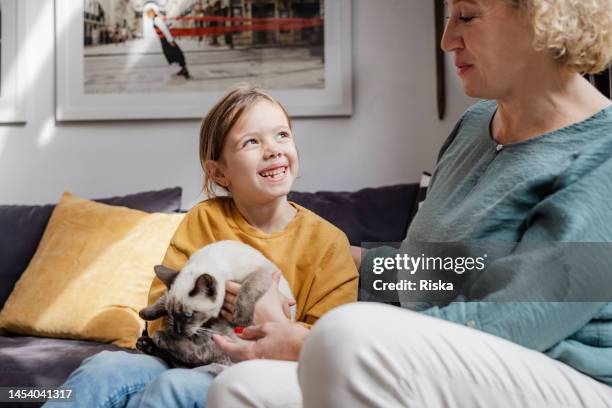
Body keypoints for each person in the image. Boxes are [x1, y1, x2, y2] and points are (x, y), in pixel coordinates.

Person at [207, 0, 612, 407]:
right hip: (448, 360)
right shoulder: (475, 126)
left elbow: (517, 318)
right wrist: (330, 258)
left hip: (562, 375)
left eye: (467, 16)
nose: (447, 40)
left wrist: (309, 343)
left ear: (542, 20)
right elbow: (453, 273)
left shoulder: (604, 154)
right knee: (240, 388)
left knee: (344, 337)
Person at [44, 85, 358, 408]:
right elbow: (159, 313)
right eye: (252, 141)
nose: (273, 150)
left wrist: (269, 317)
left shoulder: (329, 243)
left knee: (174, 388)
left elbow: (331, 344)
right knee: (102, 368)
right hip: (183, 353)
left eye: (282, 135)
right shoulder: (203, 219)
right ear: (218, 172)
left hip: (261, 371)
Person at [146, 6, 191, 79]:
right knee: (172, 53)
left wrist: (170, 41)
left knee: (175, 53)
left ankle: (184, 70)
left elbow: (165, 30)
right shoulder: (155, 19)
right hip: (164, 40)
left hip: (166, 40)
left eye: (148, 14)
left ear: (151, 13)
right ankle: (183, 69)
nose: (147, 16)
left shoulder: (157, 19)